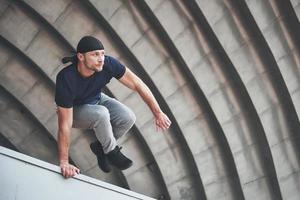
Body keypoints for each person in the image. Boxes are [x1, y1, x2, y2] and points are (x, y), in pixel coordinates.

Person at [55, 36, 171, 178]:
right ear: (81, 57)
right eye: (95, 54)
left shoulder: (108, 64)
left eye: (102, 53)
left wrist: (158, 113)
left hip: (97, 99)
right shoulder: (67, 78)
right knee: (101, 113)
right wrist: (64, 162)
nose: (101, 58)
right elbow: (64, 124)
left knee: (128, 117)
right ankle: (111, 152)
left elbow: (137, 84)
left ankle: (100, 148)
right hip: (74, 112)